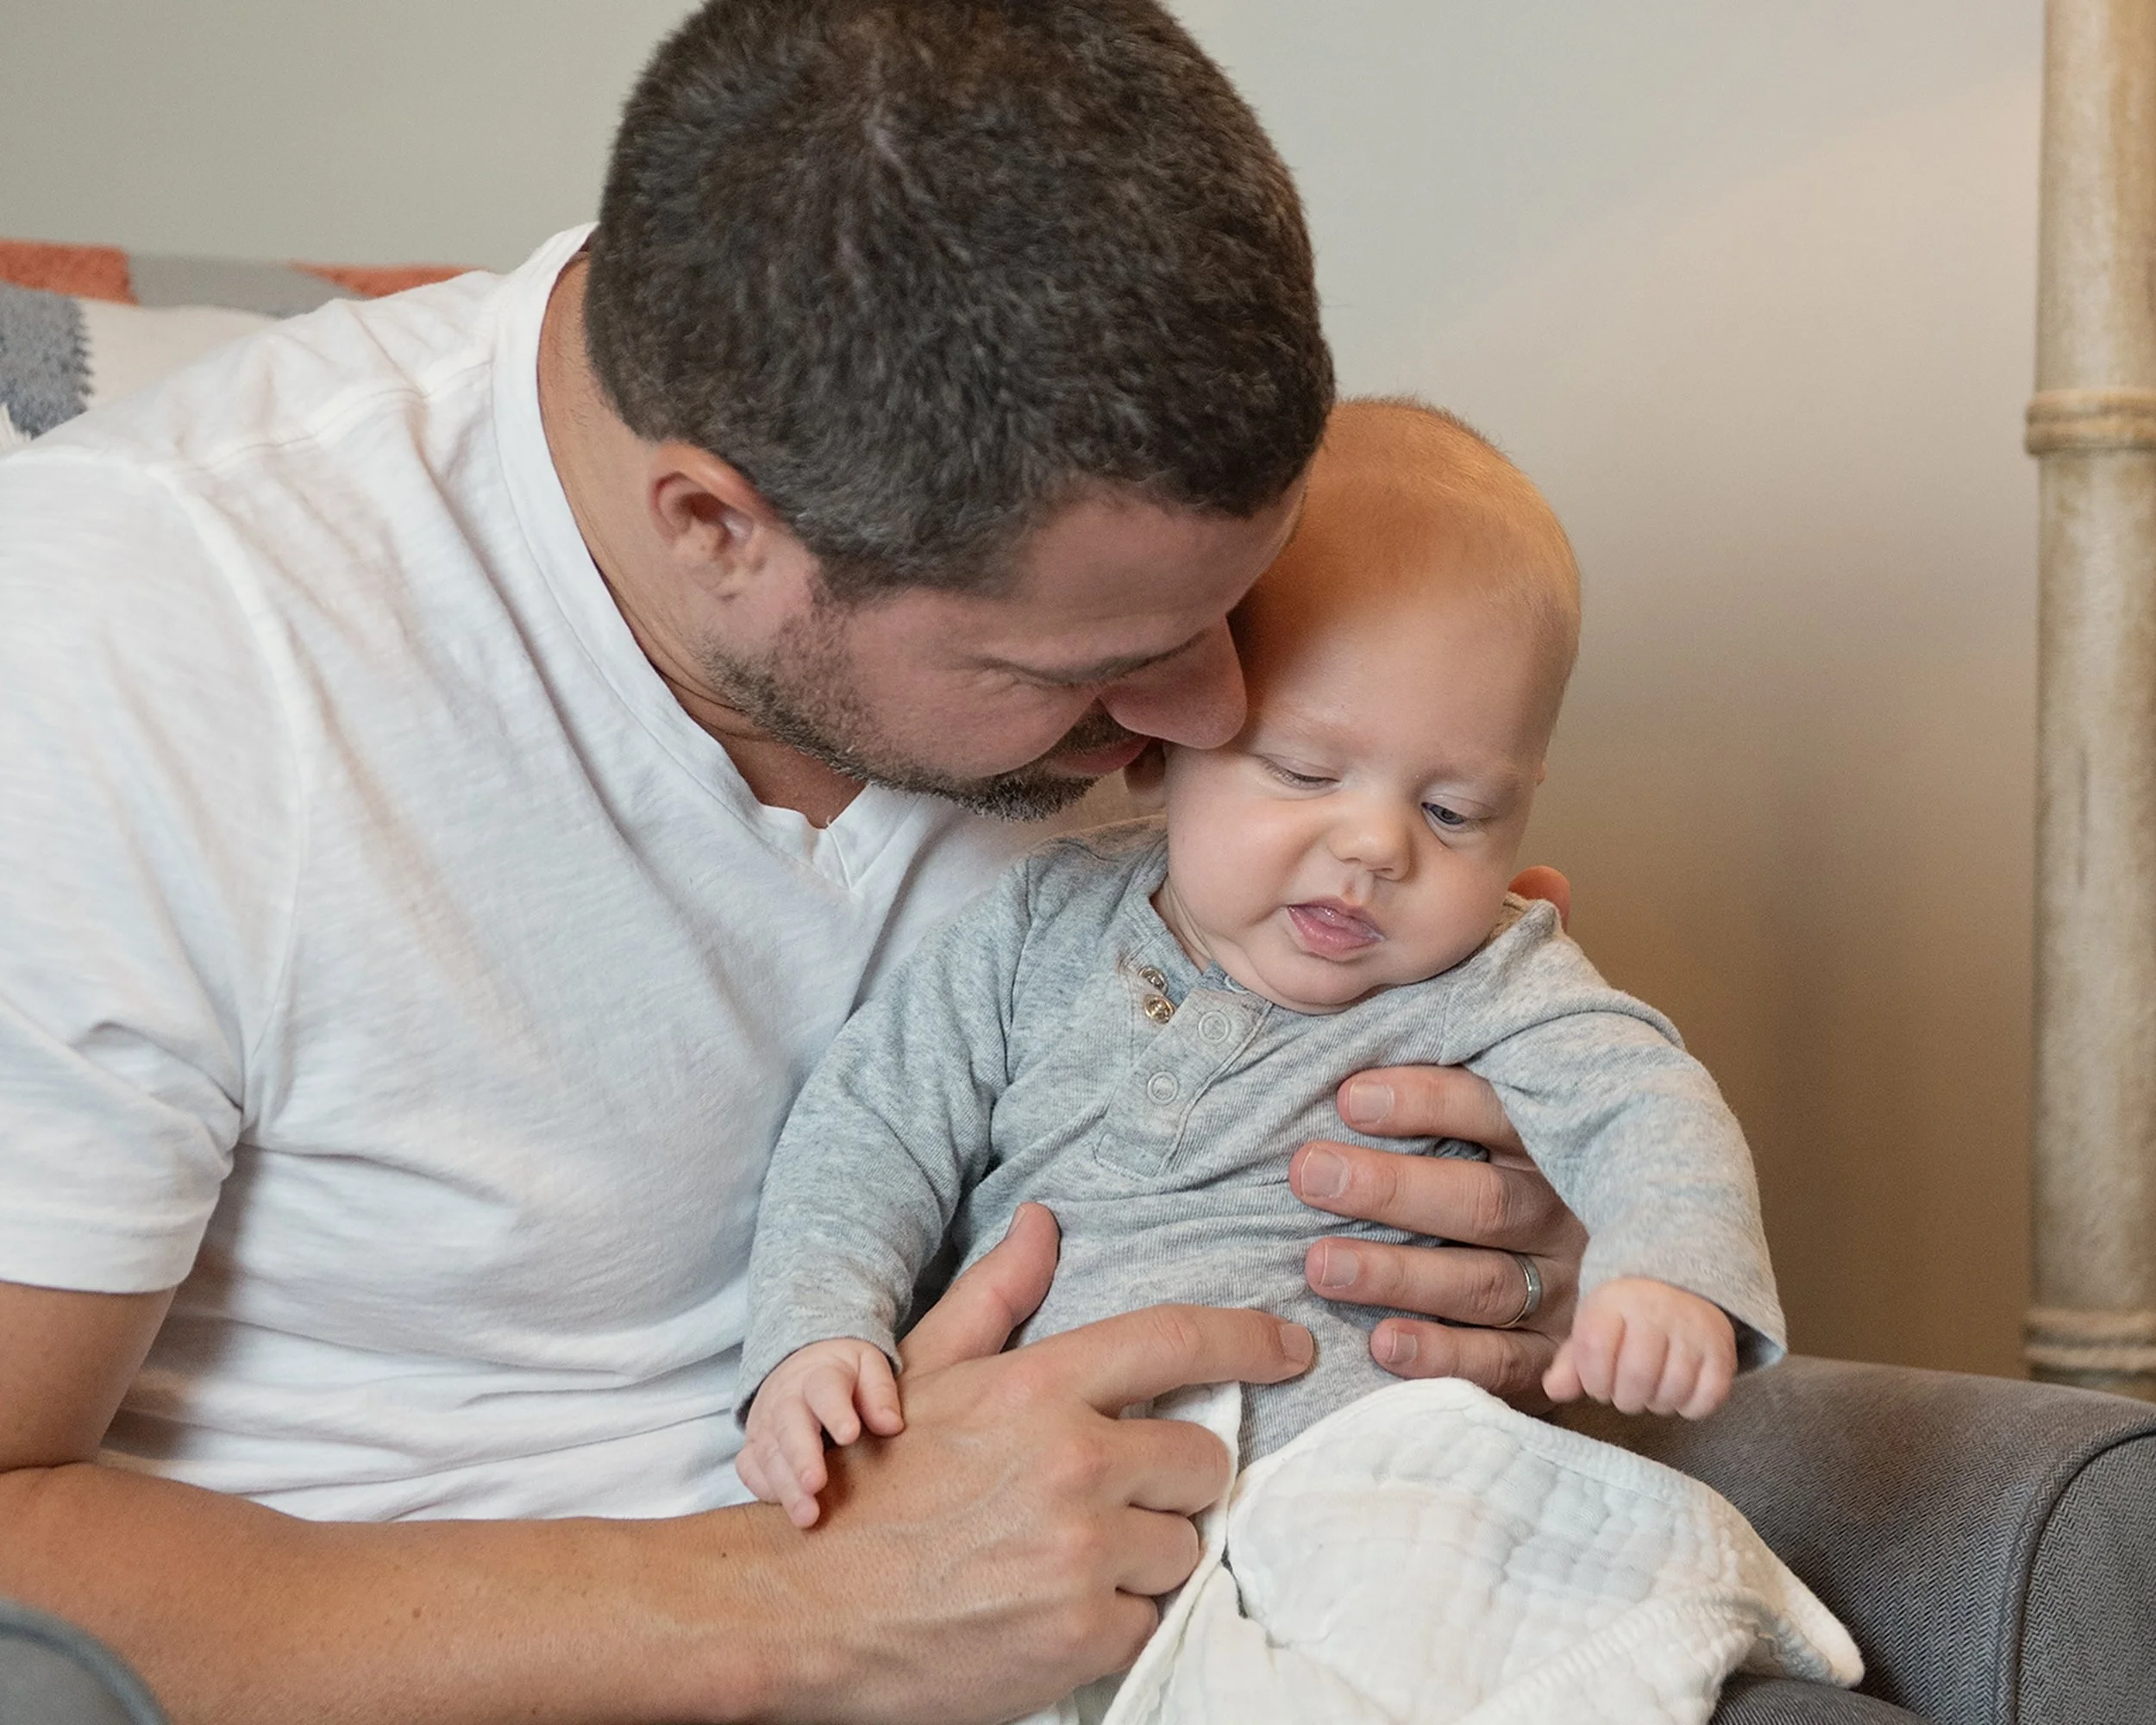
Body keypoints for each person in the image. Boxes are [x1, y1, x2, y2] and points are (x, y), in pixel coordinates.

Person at [0, 5, 1585, 1722]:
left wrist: (1500, 1236)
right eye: (1079, 671)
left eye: (1238, 616)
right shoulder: (132, 653)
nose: (1209, 705)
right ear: (717, 530)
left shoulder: (1057, 528)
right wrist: (803, 1602)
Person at [736, 401, 1784, 1530]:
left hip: (1367, 1516)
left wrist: (1663, 1272)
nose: (1379, 847)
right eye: (1302, 770)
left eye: (1452, 809)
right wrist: (819, 1332)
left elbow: (1645, 1104)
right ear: (1163, 745)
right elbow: (870, 1130)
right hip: (1031, 1521)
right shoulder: (1036, 928)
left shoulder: (1491, 981)